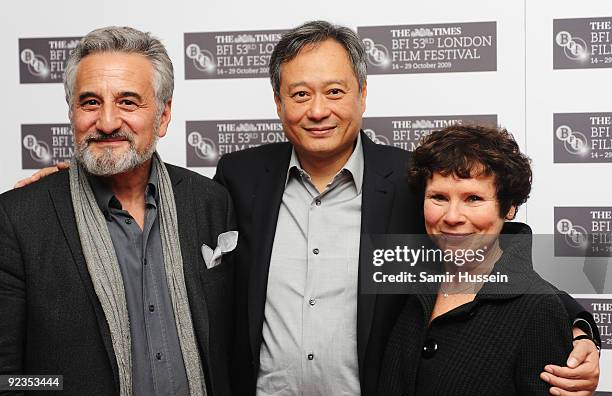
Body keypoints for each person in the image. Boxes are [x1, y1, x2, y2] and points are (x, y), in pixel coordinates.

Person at [14, 21, 601, 396]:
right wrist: (69, 181)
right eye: (299, 93)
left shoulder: (411, 181)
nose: (317, 109)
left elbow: (487, 248)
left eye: (334, 91)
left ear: (363, 94)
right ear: (277, 102)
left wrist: (575, 326)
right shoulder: (237, 181)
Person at [0, 27, 235, 395]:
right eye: (90, 102)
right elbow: (7, 377)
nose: (107, 122)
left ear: (163, 115)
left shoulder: (208, 202)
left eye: (128, 102)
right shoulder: (18, 218)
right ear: (72, 112)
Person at [377, 124, 598, 395]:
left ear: (509, 207)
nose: (452, 216)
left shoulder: (539, 308)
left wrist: (580, 330)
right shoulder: (406, 279)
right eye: (438, 197)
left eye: (473, 198)